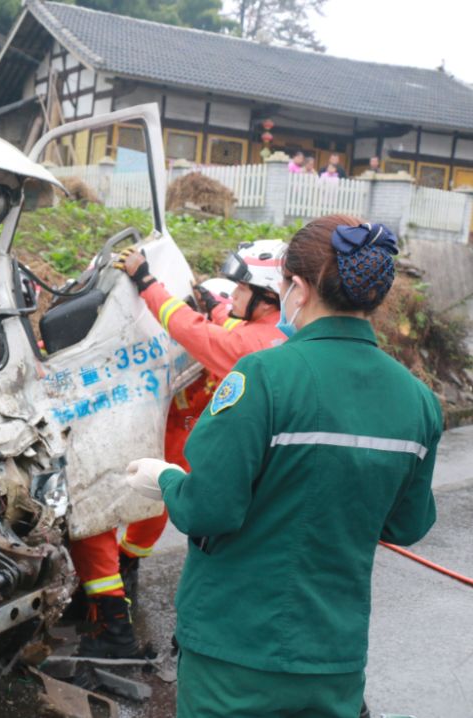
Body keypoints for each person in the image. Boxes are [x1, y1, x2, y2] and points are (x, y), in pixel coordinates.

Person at [126, 215, 441, 717]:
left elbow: (209, 509)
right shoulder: (418, 402)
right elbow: (407, 523)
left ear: (298, 287)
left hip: (234, 653)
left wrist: (165, 480)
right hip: (333, 658)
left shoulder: (263, 376)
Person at [67, 240, 288, 659]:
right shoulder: (275, 333)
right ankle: (126, 572)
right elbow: (223, 324)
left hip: (226, 471)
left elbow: (189, 329)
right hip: (231, 461)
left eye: (242, 289)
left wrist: (146, 281)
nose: (234, 295)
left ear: (266, 294)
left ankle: (124, 620)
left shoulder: (246, 347)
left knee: (93, 503)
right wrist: (216, 305)